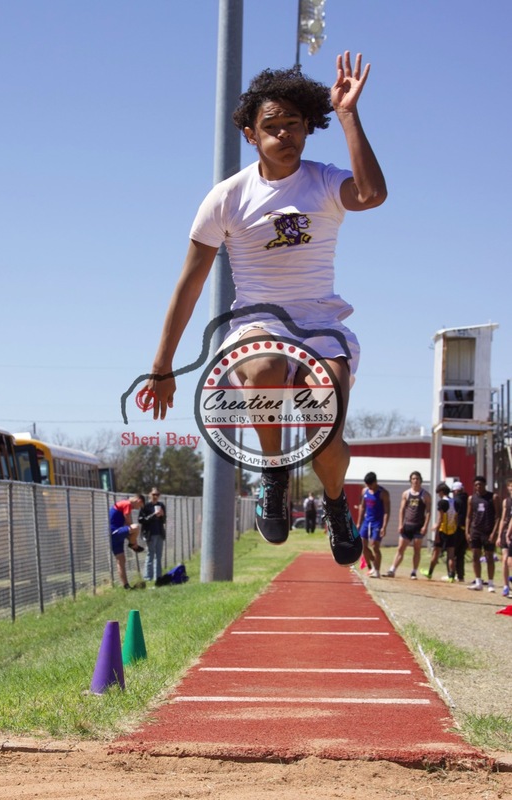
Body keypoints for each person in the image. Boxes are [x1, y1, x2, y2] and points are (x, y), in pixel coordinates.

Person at [145, 52, 387, 568]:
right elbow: (189, 286)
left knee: (325, 424)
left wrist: (348, 114)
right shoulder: (227, 198)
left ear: (307, 127)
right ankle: (272, 473)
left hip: (322, 325)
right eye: (271, 127)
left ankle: (335, 502)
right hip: (257, 320)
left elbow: (371, 193)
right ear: (252, 135)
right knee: (266, 366)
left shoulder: (324, 181)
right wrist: (161, 368)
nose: (284, 135)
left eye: (294, 125)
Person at [384, 471, 431, 579]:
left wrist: (425, 526)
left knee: (417, 549)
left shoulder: (425, 495)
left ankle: (414, 572)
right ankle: (392, 569)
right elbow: (402, 509)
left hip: (419, 525)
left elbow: (428, 511)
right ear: (410, 480)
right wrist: (400, 524)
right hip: (407, 525)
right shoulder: (406, 493)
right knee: (400, 548)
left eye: (417, 479)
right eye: (413, 479)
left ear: (420, 480)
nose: (415, 481)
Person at [466, 475, 500, 592]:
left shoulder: (493, 497)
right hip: (476, 530)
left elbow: (498, 517)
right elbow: (469, 516)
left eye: (480, 484)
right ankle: (478, 581)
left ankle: (490, 583)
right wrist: (467, 531)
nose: (478, 487)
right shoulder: (472, 499)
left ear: (484, 485)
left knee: (489, 556)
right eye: (476, 485)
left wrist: (494, 533)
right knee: (475, 556)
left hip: (488, 531)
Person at [355, 471, 390, 578]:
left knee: (375, 545)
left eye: (370, 484)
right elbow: (362, 507)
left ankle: (377, 571)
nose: (369, 486)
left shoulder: (383, 493)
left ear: (375, 482)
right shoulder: (364, 491)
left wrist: (384, 526)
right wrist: (358, 523)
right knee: (362, 545)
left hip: (377, 522)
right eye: (367, 484)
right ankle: (371, 567)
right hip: (367, 521)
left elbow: (387, 511)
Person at [420, 482, 457, 581]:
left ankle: (430, 572)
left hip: (442, 531)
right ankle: (451, 576)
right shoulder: (454, 501)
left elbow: (440, 518)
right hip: (452, 531)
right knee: (451, 555)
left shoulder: (442, 503)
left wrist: (436, 527)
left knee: (436, 553)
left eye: (438, 493)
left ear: (441, 492)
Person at [109, 495, 145, 589]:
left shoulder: (124, 504)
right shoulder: (127, 504)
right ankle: (133, 545)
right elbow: (129, 523)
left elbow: (127, 526)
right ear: (138, 500)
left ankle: (126, 586)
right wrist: (133, 540)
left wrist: (131, 538)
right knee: (136, 527)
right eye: (140, 505)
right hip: (115, 531)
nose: (138, 508)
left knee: (121, 560)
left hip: (113, 535)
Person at [139, 487, 167, 585]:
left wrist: (162, 515)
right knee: (150, 555)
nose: (156, 496)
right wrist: (153, 515)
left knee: (158, 556)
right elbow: (141, 520)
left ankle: (158, 576)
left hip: (159, 533)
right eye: (154, 494)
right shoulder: (146, 506)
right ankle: (147, 577)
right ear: (150, 495)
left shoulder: (161, 505)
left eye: (157, 495)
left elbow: (164, 521)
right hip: (150, 534)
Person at [497, 478, 512, 596]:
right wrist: (499, 534)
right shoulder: (506, 501)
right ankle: (506, 585)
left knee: (510, 561)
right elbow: (503, 518)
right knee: (505, 559)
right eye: (510, 486)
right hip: (505, 531)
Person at [452, 480, 468, 582]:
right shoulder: (469, 499)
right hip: (466, 530)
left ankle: (451, 574)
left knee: (452, 553)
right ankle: (461, 576)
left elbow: (454, 515)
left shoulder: (455, 501)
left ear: (456, 491)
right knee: (461, 554)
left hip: (456, 529)